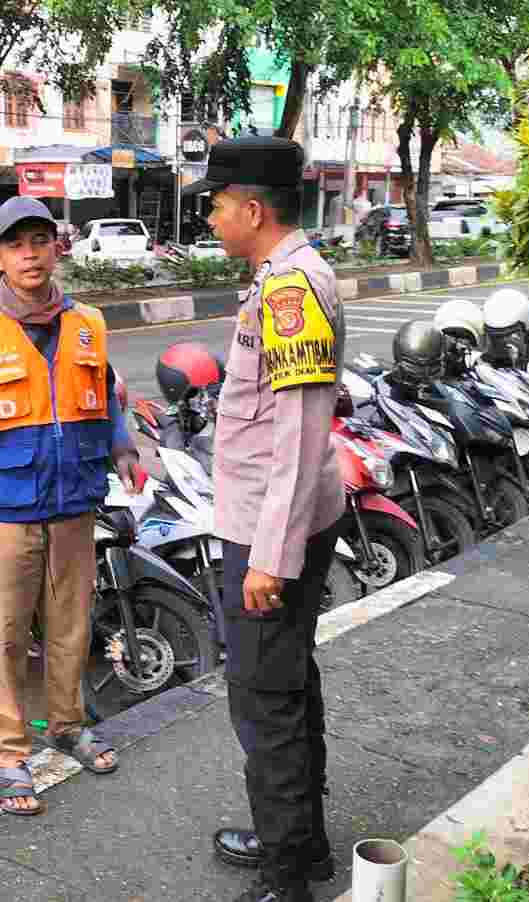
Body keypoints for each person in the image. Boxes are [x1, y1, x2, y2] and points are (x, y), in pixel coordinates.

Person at [0, 196, 145, 816]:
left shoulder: (88, 323)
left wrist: (124, 449)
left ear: (57, 248)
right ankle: (8, 755)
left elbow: (104, 397)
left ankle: (68, 727)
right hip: (5, 512)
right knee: (3, 635)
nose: (31, 254)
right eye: (16, 245)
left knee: (72, 625)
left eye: (40, 241)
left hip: (74, 505)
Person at [185, 136, 348, 902]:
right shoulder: (281, 279)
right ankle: (299, 843)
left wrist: (269, 559)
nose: (210, 218)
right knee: (286, 686)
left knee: (266, 700)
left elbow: (301, 432)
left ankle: (288, 879)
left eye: (216, 205)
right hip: (274, 521)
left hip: (270, 533)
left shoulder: (292, 289)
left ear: (252, 210)